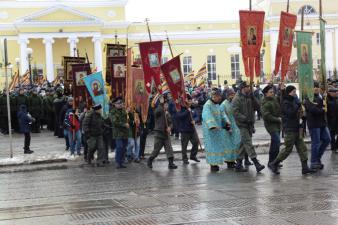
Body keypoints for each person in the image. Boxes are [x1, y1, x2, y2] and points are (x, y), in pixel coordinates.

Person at [269, 85, 316, 175]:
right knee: (288, 149)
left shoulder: (294, 100)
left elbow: (298, 112)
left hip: (297, 128)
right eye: (293, 92)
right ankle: (274, 163)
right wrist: (297, 106)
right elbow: (290, 113)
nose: (295, 93)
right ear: (289, 92)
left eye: (295, 92)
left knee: (302, 148)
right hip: (289, 129)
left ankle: (305, 167)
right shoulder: (285, 102)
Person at [232, 81, 265, 173]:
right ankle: (256, 163)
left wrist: (253, 98)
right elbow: (235, 112)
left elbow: (258, 106)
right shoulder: (237, 98)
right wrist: (245, 119)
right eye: (247, 87)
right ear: (243, 88)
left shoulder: (249, 97)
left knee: (243, 144)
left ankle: (238, 164)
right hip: (242, 124)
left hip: (249, 124)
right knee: (248, 143)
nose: (249, 88)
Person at [202, 88, 231, 172]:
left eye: (220, 96)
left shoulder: (217, 105)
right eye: (218, 96)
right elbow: (207, 116)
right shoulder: (207, 105)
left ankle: (216, 162)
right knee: (212, 148)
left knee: (217, 147)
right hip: (210, 131)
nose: (220, 98)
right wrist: (212, 125)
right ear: (214, 96)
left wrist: (226, 122)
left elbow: (222, 114)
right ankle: (213, 164)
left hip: (217, 130)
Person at [304, 82, 331, 170]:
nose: (316, 88)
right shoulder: (309, 98)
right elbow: (313, 110)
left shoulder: (321, 96)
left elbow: (325, 107)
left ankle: (317, 157)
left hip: (322, 123)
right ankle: (313, 162)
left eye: (317, 87)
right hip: (314, 124)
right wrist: (323, 109)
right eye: (314, 87)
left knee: (327, 139)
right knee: (315, 143)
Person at [147, 95, 178, 169]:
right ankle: (150, 160)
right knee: (157, 149)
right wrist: (161, 104)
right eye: (165, 105)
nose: (166, 106)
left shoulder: (167, 113)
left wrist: (170, 128)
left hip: (166, 133)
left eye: (167, 105)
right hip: (159, 133)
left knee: (169, 148)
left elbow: (171, 122)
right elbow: (156, 113)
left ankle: (171, 163)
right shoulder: (159, 110)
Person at [220, 88, 241, 168]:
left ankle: (233, 160)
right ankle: (229, 162)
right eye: (231, 95)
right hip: (227, 128)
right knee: (228, 145)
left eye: (234, 94)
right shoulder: (223, 104)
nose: (233, 96)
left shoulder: (235, 103)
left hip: (235, 127)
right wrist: (228, 125)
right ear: (227, 96)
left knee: (235, 144)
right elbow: (223, 115)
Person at [176, 94, 200, 164]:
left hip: (192, 130)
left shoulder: (192, 108)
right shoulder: (180, 108)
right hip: (184, 130)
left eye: (190, 100)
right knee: (184, 145)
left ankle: (193, 156)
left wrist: (194, 120)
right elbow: (179, 116)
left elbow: (197, 116)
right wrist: (187, 111)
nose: (190, 102)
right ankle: (184, 158)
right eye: (188, 100)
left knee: (196, 142)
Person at [261, 85, 282, 166]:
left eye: (273, 92)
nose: (273, 93)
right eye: (271, 92)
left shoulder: (274, 99)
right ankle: (273, 161)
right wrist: (277, 119)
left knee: (274, 143)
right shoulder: (264, 102)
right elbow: (266, 116)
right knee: (277, 141)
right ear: (266, 93)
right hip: (270, 125)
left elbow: (280, 107)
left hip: (277, 124)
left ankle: (272, 161)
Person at [110, 97, 129, 169]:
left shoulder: (124, 111)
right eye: (118, 103)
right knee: (119, 147)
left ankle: (122, 162)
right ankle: (118, 162)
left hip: (125, 133)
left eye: (121, 103)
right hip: (118, 133)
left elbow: (127, 119)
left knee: (124, 148)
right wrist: (124, 124)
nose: (120, 104)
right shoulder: (112, 112)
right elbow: (115, 122)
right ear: (115, 104)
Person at [327, 87, 338, 153]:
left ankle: (336, 146)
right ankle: (333, 147)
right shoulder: (327, 100)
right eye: (334, 92)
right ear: (330, 93)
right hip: (331, 120)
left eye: (336, 91)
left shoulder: (337, 99)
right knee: (332, 135)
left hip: (337, 119)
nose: (336, 93)